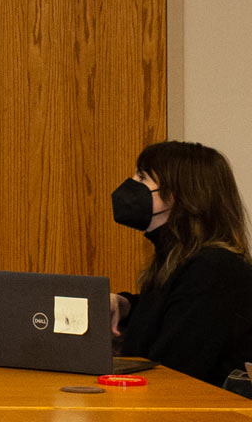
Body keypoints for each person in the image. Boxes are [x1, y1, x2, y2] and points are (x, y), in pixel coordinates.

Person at [107, 141, 252, 389]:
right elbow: (169, 311)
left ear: (178, 195)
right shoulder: (180, 260)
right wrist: (127, 305)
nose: (130, 185)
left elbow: (172, 370)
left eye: (142, 178)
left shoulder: (214, 269)